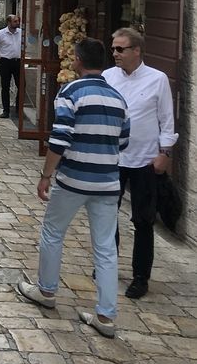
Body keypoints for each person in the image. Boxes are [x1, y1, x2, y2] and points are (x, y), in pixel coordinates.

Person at [16, 38, 130, 338]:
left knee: (53, 232)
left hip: (74, 179)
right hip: (107, 182)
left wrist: (46, 175)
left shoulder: (70, 92)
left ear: (78, 60)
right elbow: (123, 141)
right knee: (106, 247)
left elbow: (60, 139)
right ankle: (105, 316)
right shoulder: (118, 99)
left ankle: (46, 290)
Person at [103, 27, 178, 300]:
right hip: (113, 157)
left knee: (143, 220)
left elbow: (166, 119)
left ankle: (140, 277)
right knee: (106, 216)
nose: (115, 53)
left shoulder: (157, 79)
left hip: (145, 160)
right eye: (113, 48)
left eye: (120, 49)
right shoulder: (107, 77)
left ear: (136, 50)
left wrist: (164, 153)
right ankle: (107, 266)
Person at [0, 14, 22, 117]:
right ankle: (6, 110)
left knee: (21, 85)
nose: (17, 23)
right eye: (15, 21)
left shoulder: (21, 33)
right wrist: (1, 53)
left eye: (18, 21)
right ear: (9, 22)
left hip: (18, 62)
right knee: (5, 86)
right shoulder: (1, 34)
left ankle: (19, 109)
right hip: (5, 62)